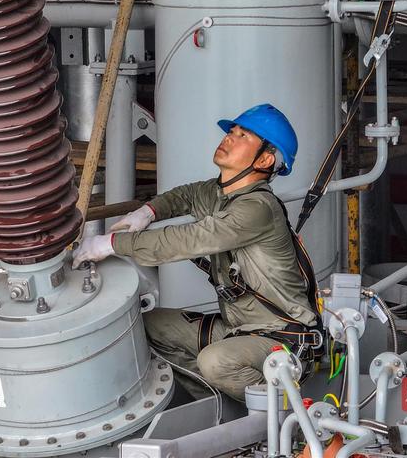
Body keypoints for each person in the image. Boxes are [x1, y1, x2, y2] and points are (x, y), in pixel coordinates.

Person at [72, 103, 318, 400]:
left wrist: (111, 244)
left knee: (215, 361)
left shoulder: (257, 208)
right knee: (146, 327)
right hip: (237, 329)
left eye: (243, 136)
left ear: (265, 159)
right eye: (232, 131)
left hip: (280, 338)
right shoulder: (220, 193)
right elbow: (185, 196)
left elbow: (187, 239)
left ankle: (288, 415)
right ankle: (219, 404)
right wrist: (148, 211)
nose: (229, 137)